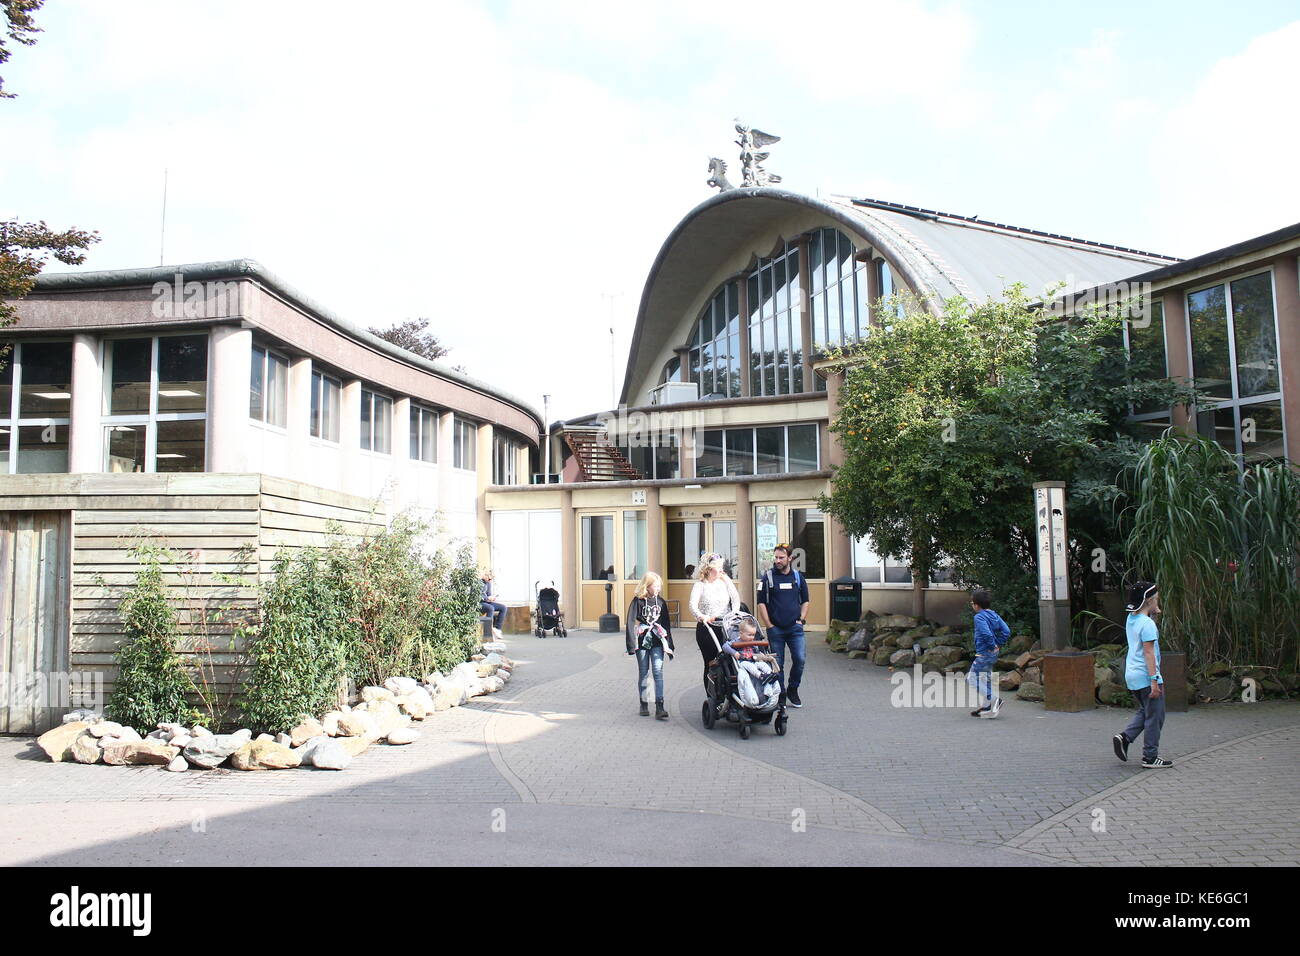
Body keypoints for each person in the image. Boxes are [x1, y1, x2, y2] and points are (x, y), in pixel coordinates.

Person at [1114, 581, 1173, 768]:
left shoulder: (1132, 618)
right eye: (1156, 599)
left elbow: (1143, 632)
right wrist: (1154, 681)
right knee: (1156, 716)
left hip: (1132, 674)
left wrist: (1152, 613)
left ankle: (1125, 737)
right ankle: (1150, 757)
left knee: (1146, 710)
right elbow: (1149, 653)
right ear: (1149, 600)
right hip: (1146, 675)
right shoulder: (1147, 624)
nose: (1158, 601)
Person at [755, 544, 809, 707]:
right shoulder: (768, 577)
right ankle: (782, 695)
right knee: (778, 664)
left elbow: (805, 600)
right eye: (776, 557)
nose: (777, 561)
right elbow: (761, 602)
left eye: (781, 558)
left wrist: (801, 619)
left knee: (799, 659)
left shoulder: (798, 577)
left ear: (790, 558)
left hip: (794, 629)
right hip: (776, 630)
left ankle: (793, 689)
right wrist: (769, 625)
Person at [626, 572, 674, 720]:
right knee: (644, 672)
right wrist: (631, 644)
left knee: (658, 671)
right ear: (647, 586)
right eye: (656, 585)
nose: (658, 588)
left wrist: (669, 643)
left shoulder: (661, 602)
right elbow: (630, 622)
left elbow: (666, 623)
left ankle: (660, 706)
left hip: (657, 640)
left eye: (660, 586)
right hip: (642, 640)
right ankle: (644, 702)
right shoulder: (638, 601)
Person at [689, 552, 741, 684]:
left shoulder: (725, 581)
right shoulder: (700, 585)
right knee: (711, 663)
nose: (721, 569)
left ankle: (728, 692)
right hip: (708, 629)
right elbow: (692, 605)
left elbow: (735, 599)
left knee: (730, 661)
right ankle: (712, 695)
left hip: (726, 627)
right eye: (718, 567)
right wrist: (702, 616)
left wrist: (733, 614)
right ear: (708, 568)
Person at [968, 589, 1011, 718]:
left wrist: (992, 646)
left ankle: (994, 700)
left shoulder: (979, 617)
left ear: (976, 605)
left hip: (984, 653)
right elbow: (1006, 631)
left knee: (971, 679)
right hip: (992, 653)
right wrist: (998, 644)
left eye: (972, 603)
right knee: (984, 678)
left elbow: (986, 633)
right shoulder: (994, 615)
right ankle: (987, 707)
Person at [480, 571, 506, 639]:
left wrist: (492, 598)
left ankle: (498, 629)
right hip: (479, 603)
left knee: (503, 607)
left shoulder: (488, 583)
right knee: (490, 608)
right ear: (485, 575)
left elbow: (488, 594)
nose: (489, 580)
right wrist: (487, 598)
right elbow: (476, 597)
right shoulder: (478, 583)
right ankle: (488, 632)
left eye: (491, 579)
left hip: (486, 602)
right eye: (489, 579)